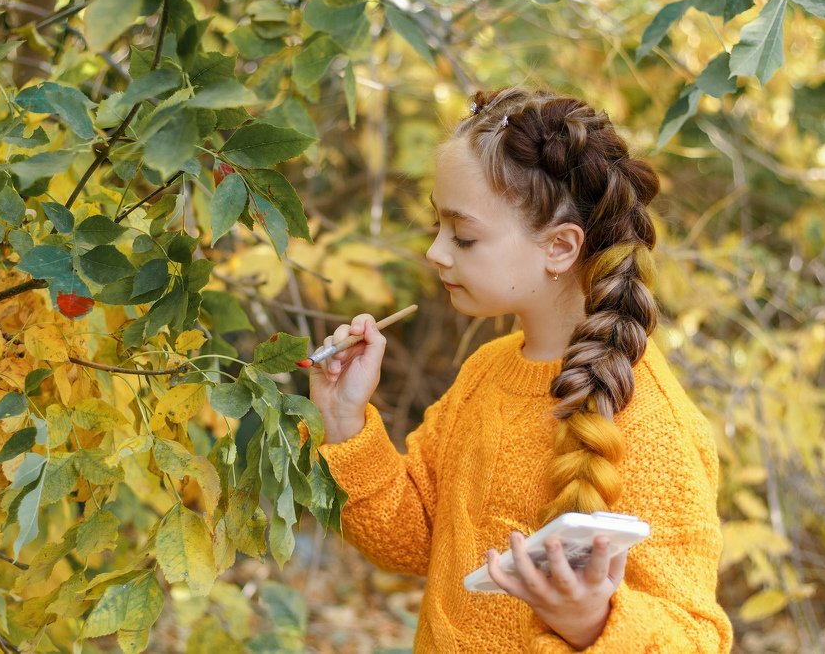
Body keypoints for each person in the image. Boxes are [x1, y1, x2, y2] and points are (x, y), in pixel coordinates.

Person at [309, 87, 733, 652]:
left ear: (559, 247)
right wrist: (346, 420)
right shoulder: (486, 372)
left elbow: (696, 638)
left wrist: (590, 624)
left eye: (463, 235)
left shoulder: (656, 427)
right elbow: (413, 540)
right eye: (438, 226)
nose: (437, 252)